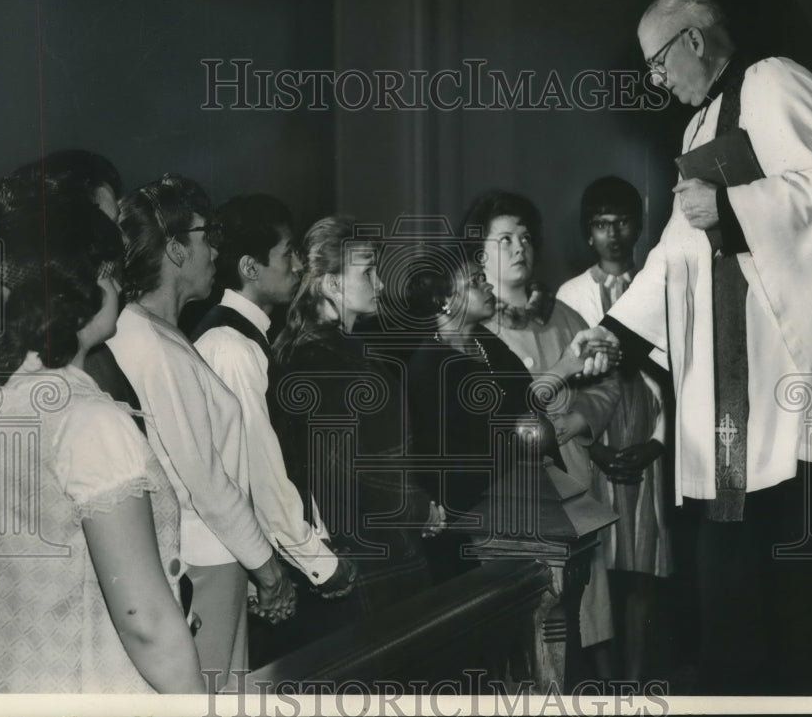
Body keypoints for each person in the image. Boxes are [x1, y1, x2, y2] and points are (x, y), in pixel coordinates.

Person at [571, 0, 812, 693]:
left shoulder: (772, 81)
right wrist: (614, 333)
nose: (657, 80)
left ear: (693, 39)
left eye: (658, 63)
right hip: (732, 411)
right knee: (733, 597)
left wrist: (729, 205)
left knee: (801, 610)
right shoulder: (698, 129)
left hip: (791, 398)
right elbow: (674, 257)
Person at [0, 202, 203, 693]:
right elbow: (145, 622)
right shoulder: (90, 421)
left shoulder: (3, 397)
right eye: (110, 275)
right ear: (82, 288)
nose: (118, 290)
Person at [104, 174, 294, 690]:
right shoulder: (150, 344)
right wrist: (267, 568)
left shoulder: (159, 334)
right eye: (206, 236)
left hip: (214, 557)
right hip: (203, 561)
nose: (215, 251)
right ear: (175, 249)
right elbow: (205, 480)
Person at [189, 195, 356, 663]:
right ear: (250, 267)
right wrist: (319, 562)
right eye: (288, 253)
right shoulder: (231, 348)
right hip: (253, 568)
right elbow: (261, 474)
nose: (299, 265)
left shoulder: (247, 340)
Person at [272, 216, 445, 650]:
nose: (380, 284)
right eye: (367, 272)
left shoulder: (318, 351)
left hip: (371, 547)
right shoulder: (322, 359)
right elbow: (349, 469)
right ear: (332, 284)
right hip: (369, 556)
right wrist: (419, 508)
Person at [462, 189, 621, 658]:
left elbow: (607, 385)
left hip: (573, 474)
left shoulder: (566, 316)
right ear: (479, 254)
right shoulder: (475, 327)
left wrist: (579, 418)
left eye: (526, 238)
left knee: (580, 621)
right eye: (505, 239)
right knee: (533, 630)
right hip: (517, 488)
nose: (519, 248)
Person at [557, 176, 672, 680]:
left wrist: (658, 444)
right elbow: (564, 383)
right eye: (602, 224)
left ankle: (636, 679)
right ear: (588, 232)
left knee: (643, 565)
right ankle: (605, 684)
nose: (613, 234)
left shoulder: (658, 285)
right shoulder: (570, 294)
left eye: (623, 222)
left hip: (646, 437)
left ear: (638, 227)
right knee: (597, 567)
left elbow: (675, 375)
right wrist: (593, 450)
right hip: (591, 441)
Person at [403, 244, 548, 582]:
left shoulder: (490, 344)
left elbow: (531, 410)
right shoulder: (428, 368)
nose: (489, 286)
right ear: (443, 300)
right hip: (474, 532)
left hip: (526, 510)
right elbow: (441, 468)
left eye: (484, 278)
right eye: (475, 281)